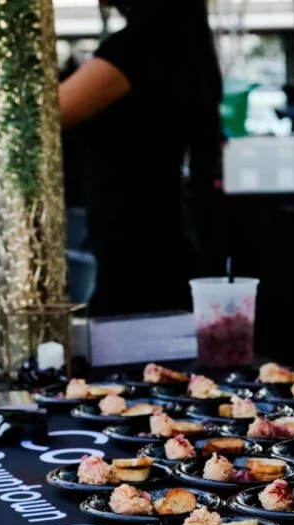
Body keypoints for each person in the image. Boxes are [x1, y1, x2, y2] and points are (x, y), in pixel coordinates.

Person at [58, 0, 223, 315]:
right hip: (158, 233)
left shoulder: (134, 50)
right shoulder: (178, 43)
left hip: (136, 245)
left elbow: (44, 115)